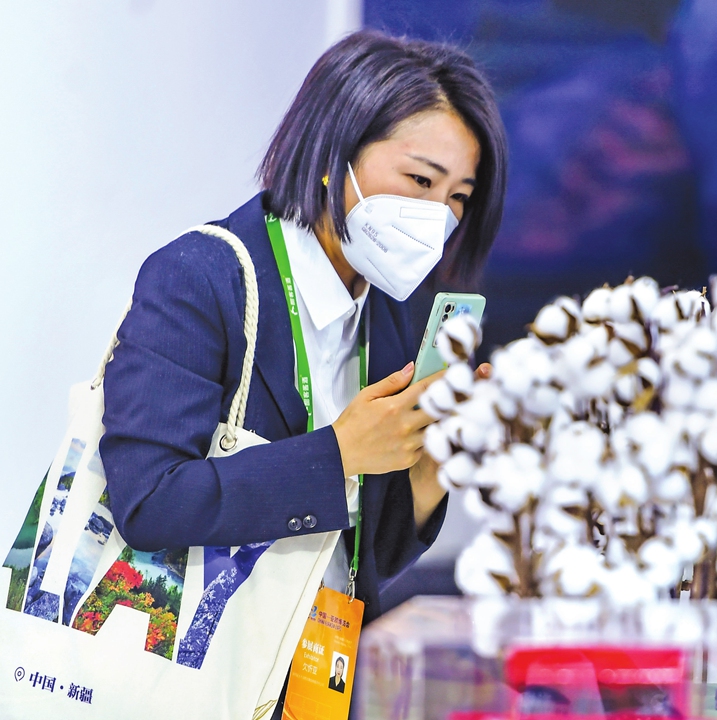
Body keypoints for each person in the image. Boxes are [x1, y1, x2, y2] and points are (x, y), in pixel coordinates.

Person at [99, 26, 506, 672]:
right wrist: (340, 453)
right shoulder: (202, 278)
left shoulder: (397, 314)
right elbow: (149, 501)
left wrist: (428, 469)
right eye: (421, 180)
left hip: (319, 681)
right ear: (331, 153)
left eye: (458, 196)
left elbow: (362, 559)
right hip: (190, 682)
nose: (440, 217)